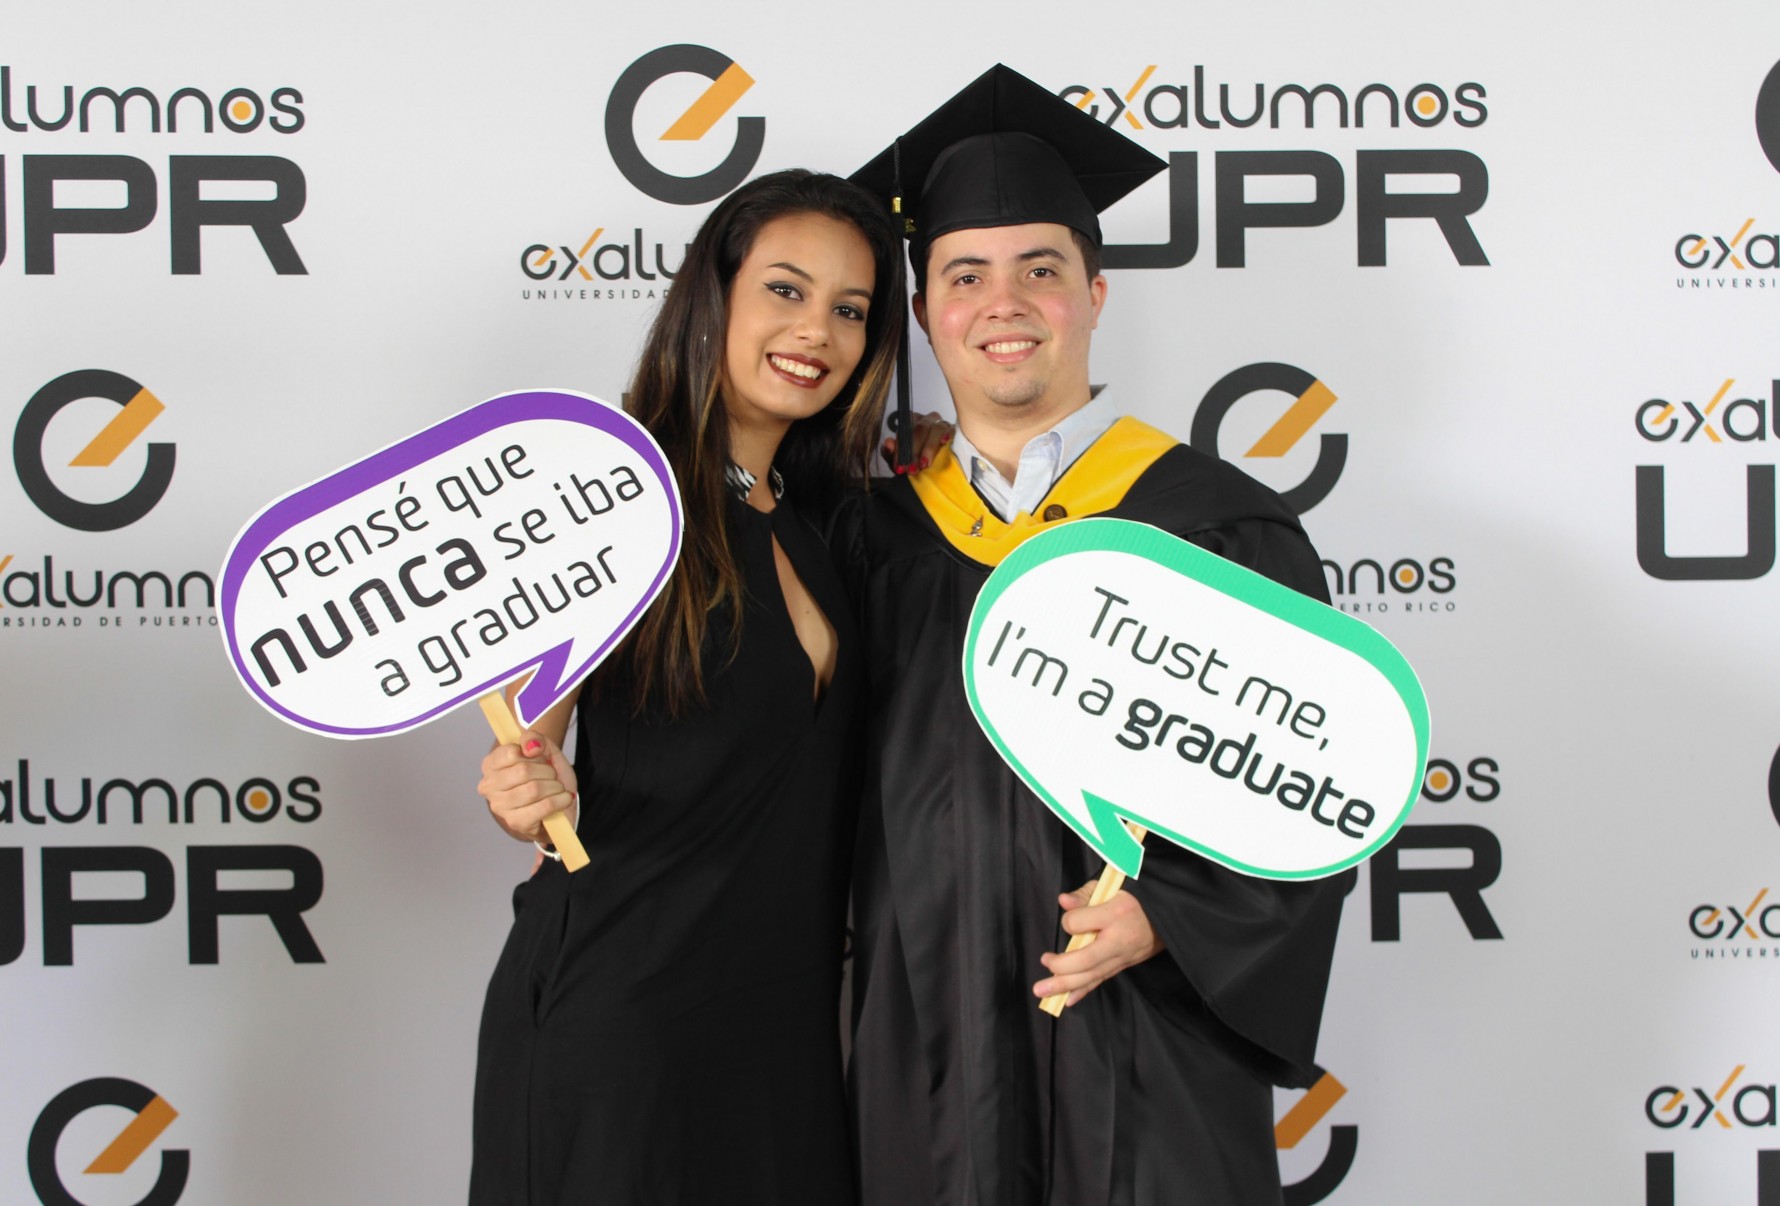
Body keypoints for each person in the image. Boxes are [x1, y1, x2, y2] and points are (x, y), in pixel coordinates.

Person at [839, 66, 1355, 1206]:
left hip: (1150, 1040)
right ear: (923, 313)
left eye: (1041, 270)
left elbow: (1318, 787)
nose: (1004, 302)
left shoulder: (1212, 526)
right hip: (920, 1036)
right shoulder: (865, 538)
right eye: (965, 275)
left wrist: (1172, 914)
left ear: (1096, 293)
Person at [468, 169, 905, 1205]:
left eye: (850, 309)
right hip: (622, 1012)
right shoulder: (607, 498)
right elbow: (526, 746)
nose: (817, 331)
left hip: (785, 1030)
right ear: (716, 294)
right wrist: (520, 790)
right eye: (786, 290)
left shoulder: (828, 520)